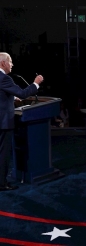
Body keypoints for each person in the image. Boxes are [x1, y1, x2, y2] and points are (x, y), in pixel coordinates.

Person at [0, 52, 43, 191]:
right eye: (10, 61)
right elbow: (23, 93)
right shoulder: (4, 78)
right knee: (3, 154)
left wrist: (11, 99)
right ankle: (2, 184)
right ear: (3, 63)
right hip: (3, 123)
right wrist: (35, 83)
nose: (12, 64)